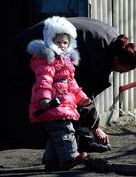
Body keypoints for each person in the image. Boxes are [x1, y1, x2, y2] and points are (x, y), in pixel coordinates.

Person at [18, 16, 136, 153]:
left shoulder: (114, 43)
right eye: (124, 70)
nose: (122, 73)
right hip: (39, 42)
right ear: (117, 60)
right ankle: (71, 149)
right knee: (51, 95)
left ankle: (72, 142)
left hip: (48, 34)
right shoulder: (100, 57)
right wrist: (96, 128)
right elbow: (83, 95)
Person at [27, 16, 90, 171]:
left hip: (62, 105)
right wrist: (44, 99)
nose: (62, 46)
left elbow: (72, 85)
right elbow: (44, 81)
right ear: (50, 41)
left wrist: (82, 98)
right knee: (65, 131)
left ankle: (51, 161)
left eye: (65, 42)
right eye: (58, 42)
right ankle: (69, 157)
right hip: (51, 105)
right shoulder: (46, 60)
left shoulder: (67, 63)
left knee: (56, 134)